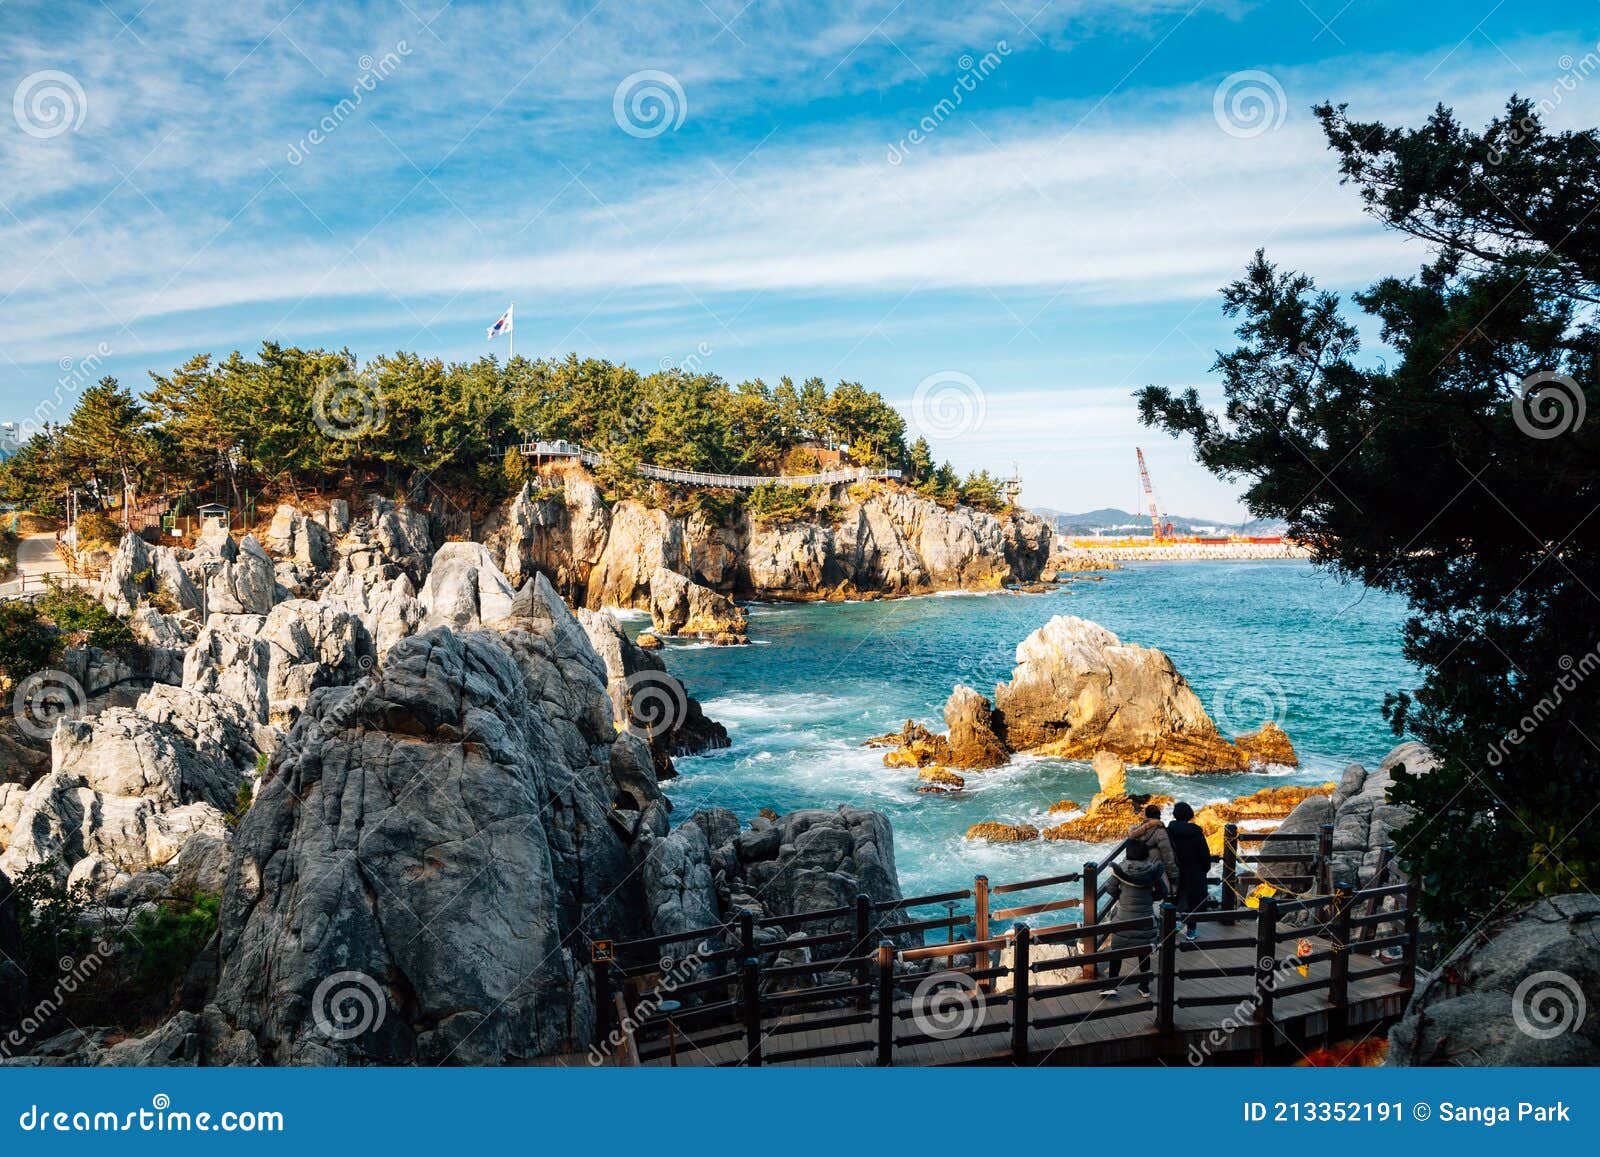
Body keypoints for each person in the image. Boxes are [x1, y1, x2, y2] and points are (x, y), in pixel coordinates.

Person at [1100, 839, 1166, 998]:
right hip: (1145, 919)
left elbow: (1110, 887)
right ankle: (1144, 987)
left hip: (1124, 919)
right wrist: (1150, 898)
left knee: (1117, 951)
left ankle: (1112, 985)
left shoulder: (1121, 869)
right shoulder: (1152, 870)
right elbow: (1162, 891)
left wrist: (1121, 897)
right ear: (1145, 854)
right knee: (1144, 952)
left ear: (1128, 854)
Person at [1166, 802, 1212, 939]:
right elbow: (1205, 854)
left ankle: (1171, 928)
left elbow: (1165, 851)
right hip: (1194, 871)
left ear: (1175, 814)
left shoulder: (1169, 831)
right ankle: (1191, 931)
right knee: (1192, 902)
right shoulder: (1196, 833)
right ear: (1189, 814)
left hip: (1174, 870)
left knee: (1173, 899)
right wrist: (1204, 869)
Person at [1128, 803, 1178, 891]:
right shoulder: (1160, 831)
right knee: (1163, 892)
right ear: (1159, 815)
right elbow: (1167, 854)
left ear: (1146, 815)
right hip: (1156, 870)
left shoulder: (1138, 831)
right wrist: (1173, 875)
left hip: (1139, 870)